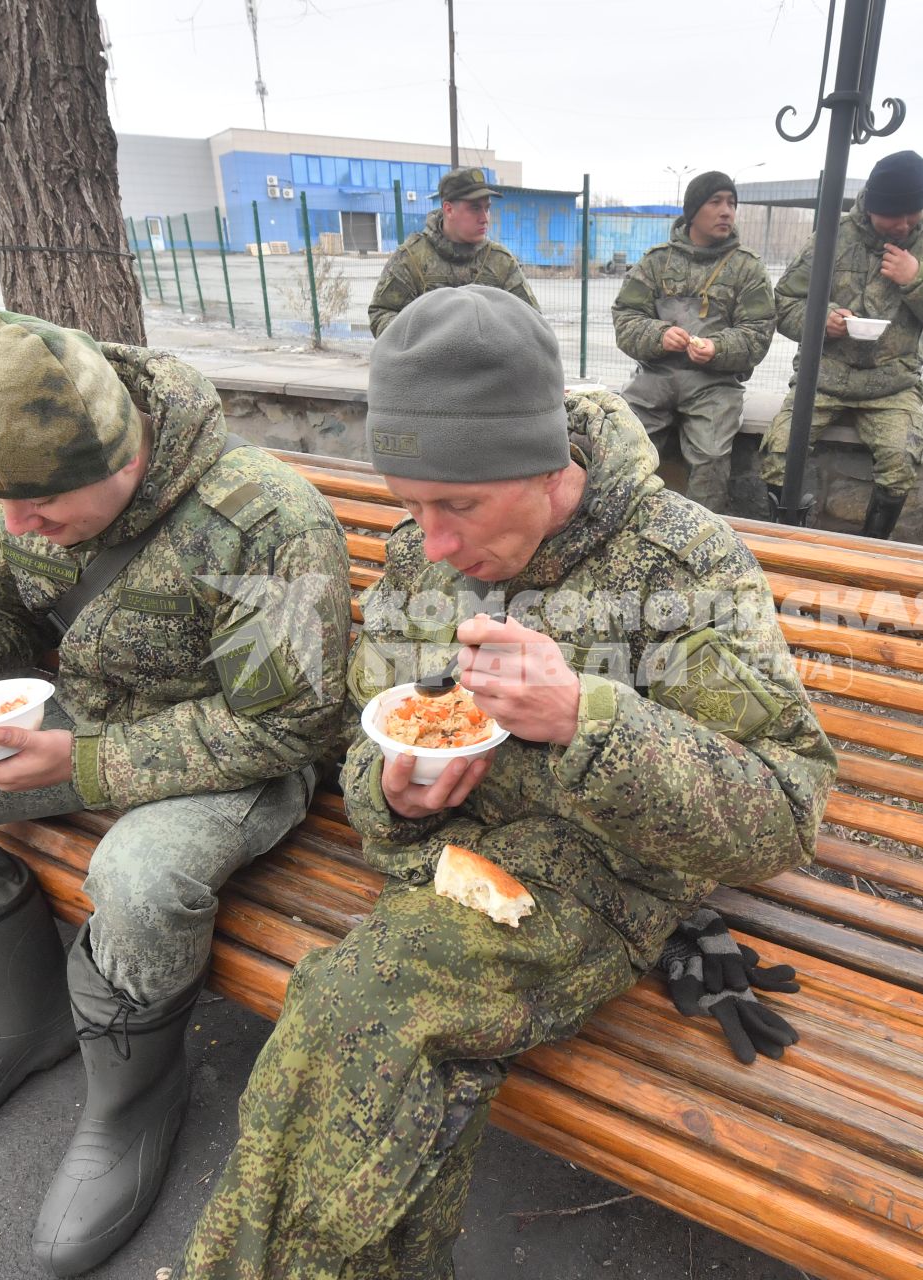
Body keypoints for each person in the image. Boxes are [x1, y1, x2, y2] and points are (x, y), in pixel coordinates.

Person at [180, 285, 836, 1278]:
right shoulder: (423, 560)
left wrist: (587, 719)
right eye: (411, 506)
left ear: (545, 463)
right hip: (446, 869)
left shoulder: (680, 563)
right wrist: (395, 790)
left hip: (598, 877)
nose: (431, 542)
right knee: (380, 1037)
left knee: (359, 1007)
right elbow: (366, 737)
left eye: (460, 505)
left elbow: (787, 809)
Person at [0, 311, 350, 1277]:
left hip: (229, 752)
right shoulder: (7, 485)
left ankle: (131, 1101)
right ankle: (17, 1026)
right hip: (67, 717)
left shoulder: (261, 520)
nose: (15, 526)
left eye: (44, 506)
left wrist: (79, 765)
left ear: (127, 452)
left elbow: (286, 727)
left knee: (137, 876)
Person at [757, 150, 923, 537]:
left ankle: (869, 554)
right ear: (871, 205)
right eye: (893, 214)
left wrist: (918, 277)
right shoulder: (833, 236)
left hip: (892, 386)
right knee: (779, 450)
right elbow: (785, 303)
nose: (904, 223)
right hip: (822, 379)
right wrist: (821, 321)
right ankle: (790, 540)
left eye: (912, 212)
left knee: (900, 460)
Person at [611, 169, 776, 513]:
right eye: (716, 202)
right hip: (654, 379)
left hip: (714, 384)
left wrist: (718, 348)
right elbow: (626, 318)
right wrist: (658, 335)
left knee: (711, 457)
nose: (726, 211)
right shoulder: (657, 262)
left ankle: (705, 533)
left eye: (731, 202)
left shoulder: (747, 268)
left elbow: (758, 332)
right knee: (623, 443)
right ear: (693, 211)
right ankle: (621, 523)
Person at [367, 166, 539, 336]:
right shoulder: (412, 259)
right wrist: (419, 339)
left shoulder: (500, 262)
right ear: (449, 209)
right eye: (475, 208)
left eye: (487, 208)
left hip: (489, 363)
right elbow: (382, 313)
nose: (485, 218)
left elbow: (533, 321)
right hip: (427, 362)